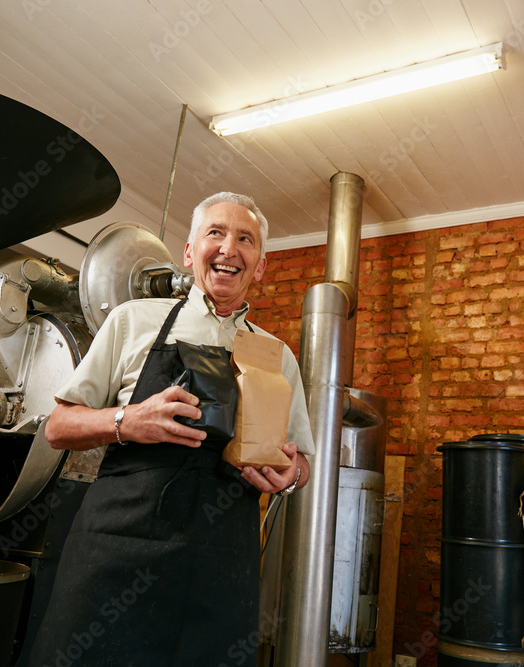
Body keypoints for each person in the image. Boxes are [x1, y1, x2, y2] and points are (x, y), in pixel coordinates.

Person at [25, 192, 313, 666]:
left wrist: (291, 476)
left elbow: (300, 462)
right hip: (119, 545)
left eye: (246, 239)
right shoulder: (133, 320)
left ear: (259, 265)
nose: (229, 248)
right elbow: (58, 427)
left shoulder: (276, 354)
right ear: (189, 251)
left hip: (221, 560)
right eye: (215, 233)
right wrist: (126, 420)